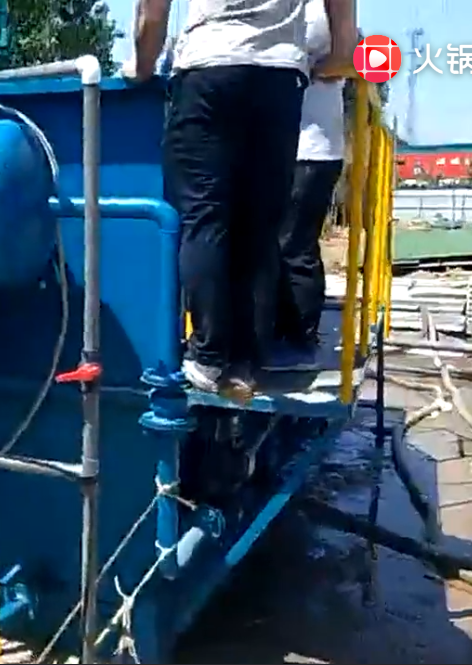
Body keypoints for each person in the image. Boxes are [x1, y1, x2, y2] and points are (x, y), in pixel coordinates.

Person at [126, 0, 356, 394]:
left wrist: (143, 64)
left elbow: (153, 8)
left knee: (204, 217)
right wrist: (341, 52)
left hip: (210, 67)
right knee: (261, 225)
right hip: (280, 77)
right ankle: (246, 363)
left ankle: (208, 356)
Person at [265, 0, 355, 372]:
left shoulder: (320, 10)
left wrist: (297, 70)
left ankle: (299, 341)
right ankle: (274, 333)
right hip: (280, 144)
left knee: (293, 244)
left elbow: (346, 60)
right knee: (274, 244)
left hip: (311, 147)